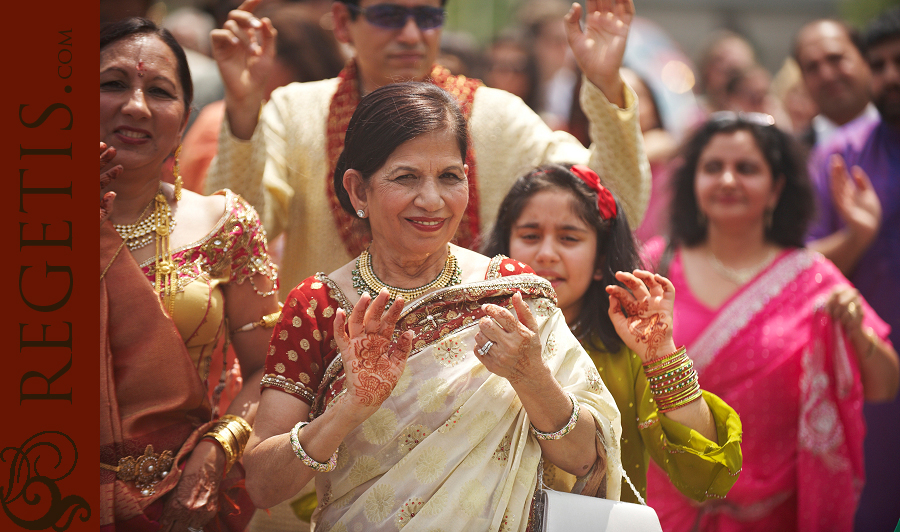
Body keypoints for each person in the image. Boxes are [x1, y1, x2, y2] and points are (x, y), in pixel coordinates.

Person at [241, 81, 660, 529]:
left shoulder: (510, 292)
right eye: (406, 177)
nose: (432, 200)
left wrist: (531, 378)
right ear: (358, 191)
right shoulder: (321, 307)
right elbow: (263, 485)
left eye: (449, 176)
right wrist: (350, 408)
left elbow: (586, 461)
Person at [205, 0, 651, 293]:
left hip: (474, 384)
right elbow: (234, 240)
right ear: (343, 21)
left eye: (428, 16)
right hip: (326, 372)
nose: (412, 34)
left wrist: (606, 84)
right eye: (389, 16)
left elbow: (614, 203)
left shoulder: (495, 117)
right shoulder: (297, 110)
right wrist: (244, 112)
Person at [641, 112, 898, 531]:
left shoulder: (809, 276)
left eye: (746, 169)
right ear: (693, 183)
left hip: (771, 515)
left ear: (777, 187)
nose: (727, 180)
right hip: (664, 509)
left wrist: (856, 329)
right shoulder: (656, 265)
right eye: (712, 168)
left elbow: (885, 384)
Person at [99, 18, 280, 531]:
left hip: (177, 498)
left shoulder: (224, 226)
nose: (135, 106)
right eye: (113, 84)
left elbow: (273, 371)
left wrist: (216, 451)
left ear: (183, 122)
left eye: (159, 91)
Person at [480, 163, 743, 505]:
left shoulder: (625, 353)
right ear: (505, 249)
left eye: (569, 238)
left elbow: (705, 477)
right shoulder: (469, 334)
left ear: (601, 259)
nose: (545, 253)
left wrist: (661, 355)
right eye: (530, 236)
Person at [805, 8, 900, 530]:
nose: (892, 76)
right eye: (881, 63)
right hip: (877, 374)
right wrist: (858, 235)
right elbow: (803, 269)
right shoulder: (842, 160)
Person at [793, 19, 876, 148]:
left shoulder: (895, 131)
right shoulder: (796, 156)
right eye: (812, 67)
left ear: (865, 60)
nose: (827, 76)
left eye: (835, 58)